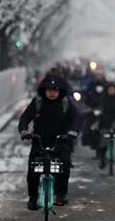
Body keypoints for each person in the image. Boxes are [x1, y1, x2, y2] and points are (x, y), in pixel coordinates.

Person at [19, 73, 78, 210]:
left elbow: (75, 119)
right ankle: (33, 197)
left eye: (55, 91)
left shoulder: (65, 103)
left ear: (60, 92)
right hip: (39, 141)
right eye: (49, 90)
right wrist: (24, 131)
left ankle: (61, 195)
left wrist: (72, 132)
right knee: (34, 169)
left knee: (64, 166)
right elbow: (25, 118)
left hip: (60, 141)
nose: (52, 93)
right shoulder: (38, 102)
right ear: (44, 91)